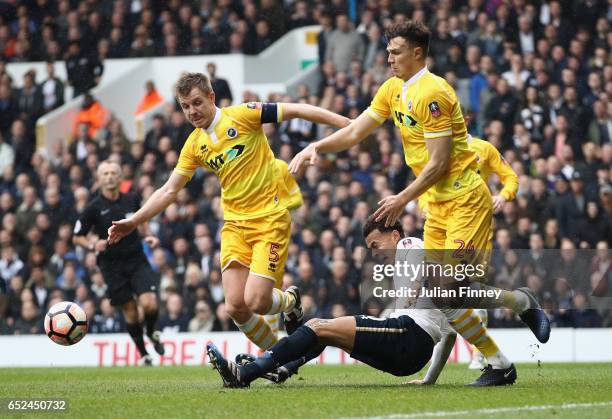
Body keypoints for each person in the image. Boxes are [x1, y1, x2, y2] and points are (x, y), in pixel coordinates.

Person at [289, 21, 549, 384]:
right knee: (445, 297)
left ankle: (516, 321)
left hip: (464, 200)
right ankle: (507, 346)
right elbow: (355, 129)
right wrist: (317, 145)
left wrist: (401, 199)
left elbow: (439, 162)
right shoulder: (393, 89)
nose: (389, 58)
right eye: (388, 51)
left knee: (447, 288)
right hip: (436, 204)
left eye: (395, 52)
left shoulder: (433, 92)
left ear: (417, 53)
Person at [108, 72, 350, 352]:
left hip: (269, 219)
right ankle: (280, 357)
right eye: (185, 106)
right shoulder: (194, 145)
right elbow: (169, 190)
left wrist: (348, 125)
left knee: (257, 301)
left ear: (211, 97)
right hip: (235, 226)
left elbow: (297, 109)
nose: (192, 111)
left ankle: (290, 303)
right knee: (235, 306)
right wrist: (134, 221)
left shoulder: (244, 115)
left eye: (197, 103)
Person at [419, 133, 519, 369]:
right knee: (442, 287)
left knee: (467, 282)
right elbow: (424, 185)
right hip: (441, 225)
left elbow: (510, 177)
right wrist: (424, 207)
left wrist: (503, 196)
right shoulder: (434, 148)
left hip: (472, 222)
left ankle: (480, 353)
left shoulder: (484, 149)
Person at [207, 296, 445, 388]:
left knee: (318, 326)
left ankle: (246, 373)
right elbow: (451, 333)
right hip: (409, 359)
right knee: (325, 333)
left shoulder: (417, 258)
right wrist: (428, 380)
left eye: (376, 243)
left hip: (407, 335)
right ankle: (283, 369)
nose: (375, 251)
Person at [73, 161, 164, 366]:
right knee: (130, 311)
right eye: (105, 173)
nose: (110, 176)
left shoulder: (132, 199)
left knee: (149, 303)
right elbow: (77, 236)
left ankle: (151, 331)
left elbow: (141, 221)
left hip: (136, 258)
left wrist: (148, 235)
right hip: (111, 265)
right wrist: (92, 244)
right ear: (99, 179)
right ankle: (144, 355)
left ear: (120, 177)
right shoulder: (92, 208)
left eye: (114, 172)